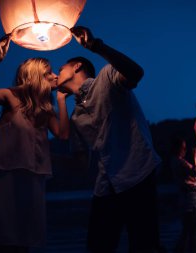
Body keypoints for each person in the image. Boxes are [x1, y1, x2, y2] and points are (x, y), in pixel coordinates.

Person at [55, 26, 163, 253]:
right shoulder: (76, 116)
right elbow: (80, 162)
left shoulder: (107, 77)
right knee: (97, 246)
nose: (57, 72)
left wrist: (96, 46)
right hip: (107, 184)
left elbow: (136, 73)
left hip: (137, 173)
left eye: (61, 67)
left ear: (77, 66)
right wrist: (42, 156)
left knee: (145, 245)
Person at [0, 35, 69, 253]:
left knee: (23, 243)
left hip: (30, 180)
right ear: (37, 76)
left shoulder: (46, 110)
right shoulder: (10, 96)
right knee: (1, 242)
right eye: (49, 72)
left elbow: (63, 135)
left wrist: (60, 100)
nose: (56, 76)